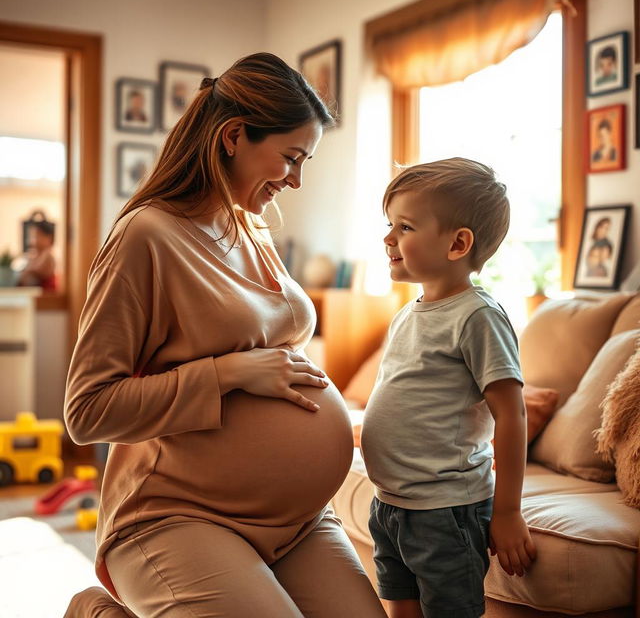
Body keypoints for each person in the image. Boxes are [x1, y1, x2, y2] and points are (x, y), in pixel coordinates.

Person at [64, 53, 387, 618]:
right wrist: (227, 373)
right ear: (234, 136)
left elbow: (278, 359)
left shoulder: (247, 225)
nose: (297, 179)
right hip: (178, 513)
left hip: (299, 521)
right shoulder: (147, 237)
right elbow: (88, 412)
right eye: (291, 158)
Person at [360, 158, 537, 618]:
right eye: (389, 224)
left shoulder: (478, 317)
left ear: (458, 244)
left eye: (404, 227)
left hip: (446, 511)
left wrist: (508, 512)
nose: (388, 239)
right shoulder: (407, 313)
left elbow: (512, 414)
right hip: (390, 505)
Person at [17, 216, 56, 291]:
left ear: (49, 238)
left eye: (37, 235)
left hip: (44, 296)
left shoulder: (48, 255)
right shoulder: (34, 255)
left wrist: (28, 271)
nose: (33, 239)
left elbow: (40, 271)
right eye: (31, 236)